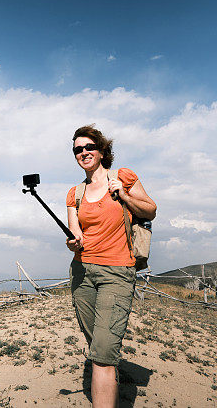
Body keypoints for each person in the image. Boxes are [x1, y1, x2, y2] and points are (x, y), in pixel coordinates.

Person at [66, 125, 157, 408]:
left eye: (89, 147)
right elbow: (74, 234)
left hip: (117, 272)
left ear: (102, 150)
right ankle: (111, 380)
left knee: (103, 354)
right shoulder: (74, 193)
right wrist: (73, 242)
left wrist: (125, 196)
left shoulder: (123, 178)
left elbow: (151, 209)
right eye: (77, 149)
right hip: (82, 273)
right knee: (98, 347)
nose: (84, 152)